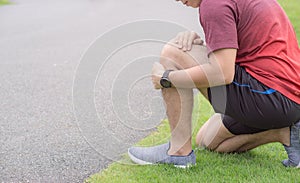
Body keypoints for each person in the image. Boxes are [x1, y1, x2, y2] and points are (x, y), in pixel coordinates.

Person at [128, 0, 300, 168]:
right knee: (208, 140)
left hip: (272, 96)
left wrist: (166, 78)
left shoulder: (213, 4)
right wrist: (197, 41)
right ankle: (285, 132)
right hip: (287, 99)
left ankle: (178, 152)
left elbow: (222, 73)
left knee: (172, 53)